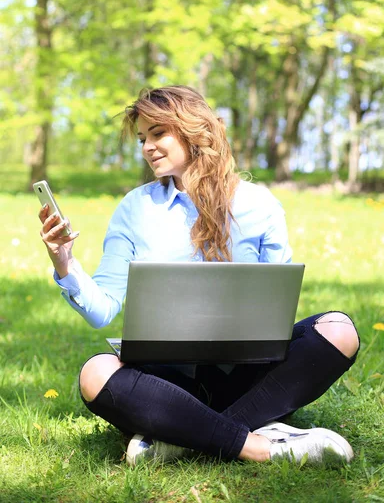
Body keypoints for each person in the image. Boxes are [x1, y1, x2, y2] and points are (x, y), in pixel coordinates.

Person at [38, 85, 359, 466]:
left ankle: (183, 437)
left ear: (193, 130)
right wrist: (64, 261)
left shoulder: (259, 206)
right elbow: (102, 308)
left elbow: (278, 305)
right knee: (96, 372)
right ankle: (259, 443)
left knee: (340, 330)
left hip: (249, 373)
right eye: (143, 138)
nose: (147, 147)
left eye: (158, 134)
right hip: (168, 382)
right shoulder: (135, 209)